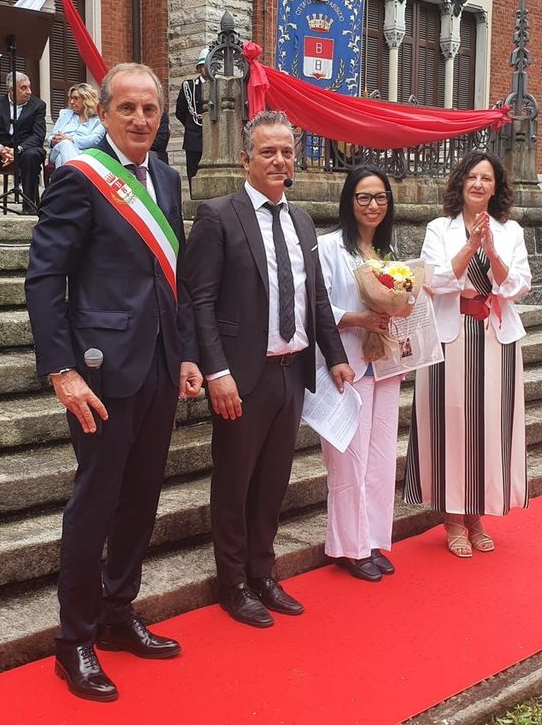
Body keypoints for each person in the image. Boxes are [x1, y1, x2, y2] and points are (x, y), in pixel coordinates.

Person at [25, 62, 203, 703]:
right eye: (126, 108)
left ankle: (117, 611)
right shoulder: (79, 177)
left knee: (142, 498)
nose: (140, 119)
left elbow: (172, 276)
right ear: (102, 114)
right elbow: (45, 278)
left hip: (158, 364)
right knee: (95, 503)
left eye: (149, 109)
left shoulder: (167, 178)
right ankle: (73, 639)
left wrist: (185, 354)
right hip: (100, 372)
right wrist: (62, 369)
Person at [184, 109, 354, 628]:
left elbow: (315, 297)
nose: (279, 160)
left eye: (286, 151)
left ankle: (262, 572)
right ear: (245, 159)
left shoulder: (302, 220)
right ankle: (233, 583)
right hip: (242, 377)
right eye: (268, 152)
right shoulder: (219, 216)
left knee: (273, 483)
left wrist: (336, 356)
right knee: (235, 484)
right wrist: (216, 372)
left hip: (291, 374)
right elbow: (199, 299)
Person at [404, 150, 531, 557]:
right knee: (451, 424)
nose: (478, 184)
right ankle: (453, 518)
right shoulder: (439, 228)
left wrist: (491, 250)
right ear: (461, 183)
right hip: (450, 335)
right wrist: (472, 243)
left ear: (496, 188)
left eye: (486, 178)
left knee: (488, 425)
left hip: (494, 337)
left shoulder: (510, 231)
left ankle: (477, 514)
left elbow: (518, 285)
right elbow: (435, 280)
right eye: (472, 176)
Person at [317, 166, 402, 582]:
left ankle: (371, 540)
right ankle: (348, 547)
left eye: (380, 197)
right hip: (346, 364)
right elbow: (315, 307)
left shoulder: (387, 252)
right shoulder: (329, 247)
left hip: (384, 365)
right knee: (349, 461)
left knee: (381, 459)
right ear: (349, 201)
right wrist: (358, 319)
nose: (373, 205)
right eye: (364, 197)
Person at [0, 70, 46, 214]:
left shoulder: (38, 105)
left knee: (32, 155)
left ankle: (28, 206)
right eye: (23, 88)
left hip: (26, 149)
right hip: (2, 151)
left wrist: (17, 150)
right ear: (11, 90)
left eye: (29, 87)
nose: (29, 92)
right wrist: (0, 149)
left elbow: (38, 136)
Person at [48, 82, 105, 167]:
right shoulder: (64, 115)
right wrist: (53, 140)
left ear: (86, 99)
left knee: (60, 158)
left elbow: (95, 139)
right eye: (71, 98)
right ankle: (75, 171)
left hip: (86, 153)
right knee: (66, 144)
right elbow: (51, 137)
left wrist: (71, 139)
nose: (71, 102)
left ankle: (68, 174)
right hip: (59, 148)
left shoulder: (99, 119)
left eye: (76, 98)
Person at [175, 48, 207, 195]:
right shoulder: (189, 86)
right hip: (194, 139)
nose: (207, 68)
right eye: (204, 65)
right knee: (193, 173)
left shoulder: (220, 85)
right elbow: (180, 112)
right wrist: (192, 125)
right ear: (199, 68)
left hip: (214, 140)